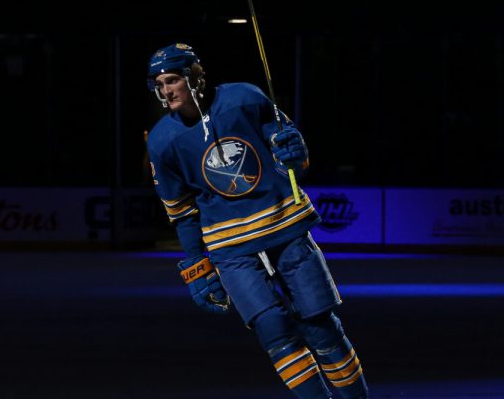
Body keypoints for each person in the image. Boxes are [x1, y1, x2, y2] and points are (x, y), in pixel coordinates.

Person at [145, 43, 369, 399]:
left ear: (196, 78)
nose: (166, 90)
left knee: (321, 326)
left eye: (173, 80)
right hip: (229, 247)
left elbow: (291, 154)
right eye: (159, 83)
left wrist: (295, 153)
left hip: (283, 225)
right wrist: (197, 265)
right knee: (274, 332)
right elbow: (182, 211)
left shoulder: (244, 98)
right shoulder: (162, 141)